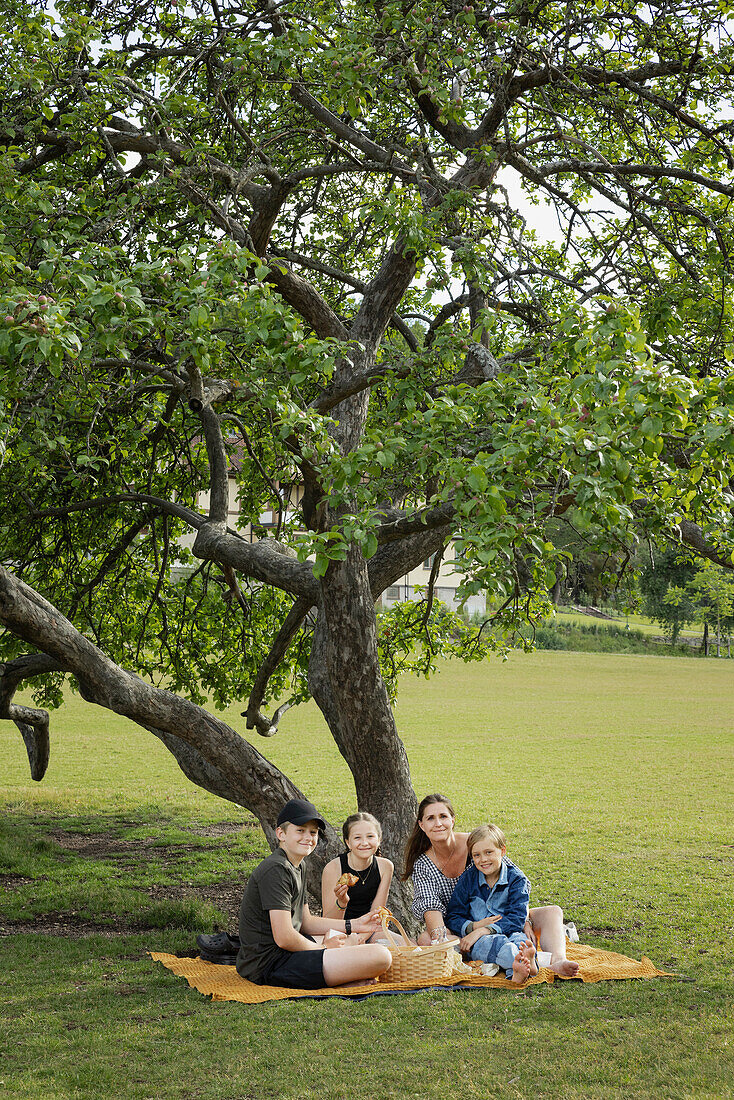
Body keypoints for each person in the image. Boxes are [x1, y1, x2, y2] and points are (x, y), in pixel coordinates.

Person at [403, 793, 579, 977]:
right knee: (426, 939)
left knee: (553, 911)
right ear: (421, 825)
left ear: (453, 820)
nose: (438, 823)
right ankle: (535, 962)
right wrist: (467, 931)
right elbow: (431, 908)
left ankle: (558, 961)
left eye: (443, 816)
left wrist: (524, 921)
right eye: (430, 818)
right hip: (461, 925)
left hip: (503, 917)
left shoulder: (477, 843)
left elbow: (514, 878)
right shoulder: (423, 864)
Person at [236, 798, 391, 988]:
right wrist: (323, 948)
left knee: (348, 940)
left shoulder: (298, 865)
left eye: (313, 832)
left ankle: (342, 978)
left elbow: (306, 922)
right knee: (380, 955)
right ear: (281, 834)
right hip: (268, 964)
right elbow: (284, 937)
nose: (308, 837)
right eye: (300, 831)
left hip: (288, 954)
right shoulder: (276, 869)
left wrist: (355, 924)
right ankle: (341, 980)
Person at [445, 823, 538, 984]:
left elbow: (517, 918)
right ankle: (524, 966)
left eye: (489, 852)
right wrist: (473, 928)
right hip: (478, 940)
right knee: (495, 945)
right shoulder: (468, 879)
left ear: (502, 851)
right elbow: (453, 915)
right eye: (477, 855)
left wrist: (483, 930)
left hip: (509, 930)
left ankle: (522, 966)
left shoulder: (517, 879)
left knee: (521, 942)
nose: (483, 860)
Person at [321, 812, 394, 926]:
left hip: (370, 928)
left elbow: (376, 914)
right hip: (340, 928)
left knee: (407, 943)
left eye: (370, 836)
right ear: (348, 842)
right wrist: (341, 902)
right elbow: (328, 921)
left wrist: (361, 938)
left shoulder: (385, 867)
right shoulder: (333, 868)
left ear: (379, 840)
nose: (364, 843)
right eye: (357, 838)